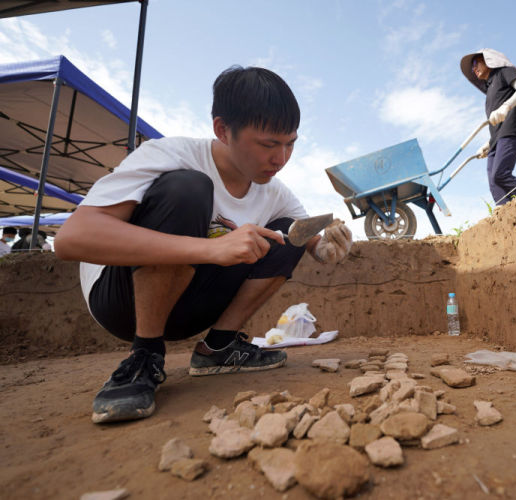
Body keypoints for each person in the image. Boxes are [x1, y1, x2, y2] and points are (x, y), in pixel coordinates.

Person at [54, 65, 353, 424]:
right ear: (222, 130)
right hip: (122, 302)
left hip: (189, 307)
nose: (281, 159)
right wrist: (212, 248)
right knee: (189, 189)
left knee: (290, 231)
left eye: (290, 144)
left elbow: (311, 244)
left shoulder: (276, 193)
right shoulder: (171, 156)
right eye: (268, 144)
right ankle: (144, 354)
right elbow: (70, 240)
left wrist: (327, 249)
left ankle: (219, 348)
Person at [460, 49, 516, 206]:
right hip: (496, 139)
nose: (474, 68)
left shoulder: (504, 73)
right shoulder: (490, 90)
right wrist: (488, 144)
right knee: (494, 184)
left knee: (500, 174)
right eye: (472, 66)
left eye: (475, 63)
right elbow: (497, 122)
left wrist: (506, 106)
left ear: (489, 60)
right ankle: (505, 217)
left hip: (511, 132)